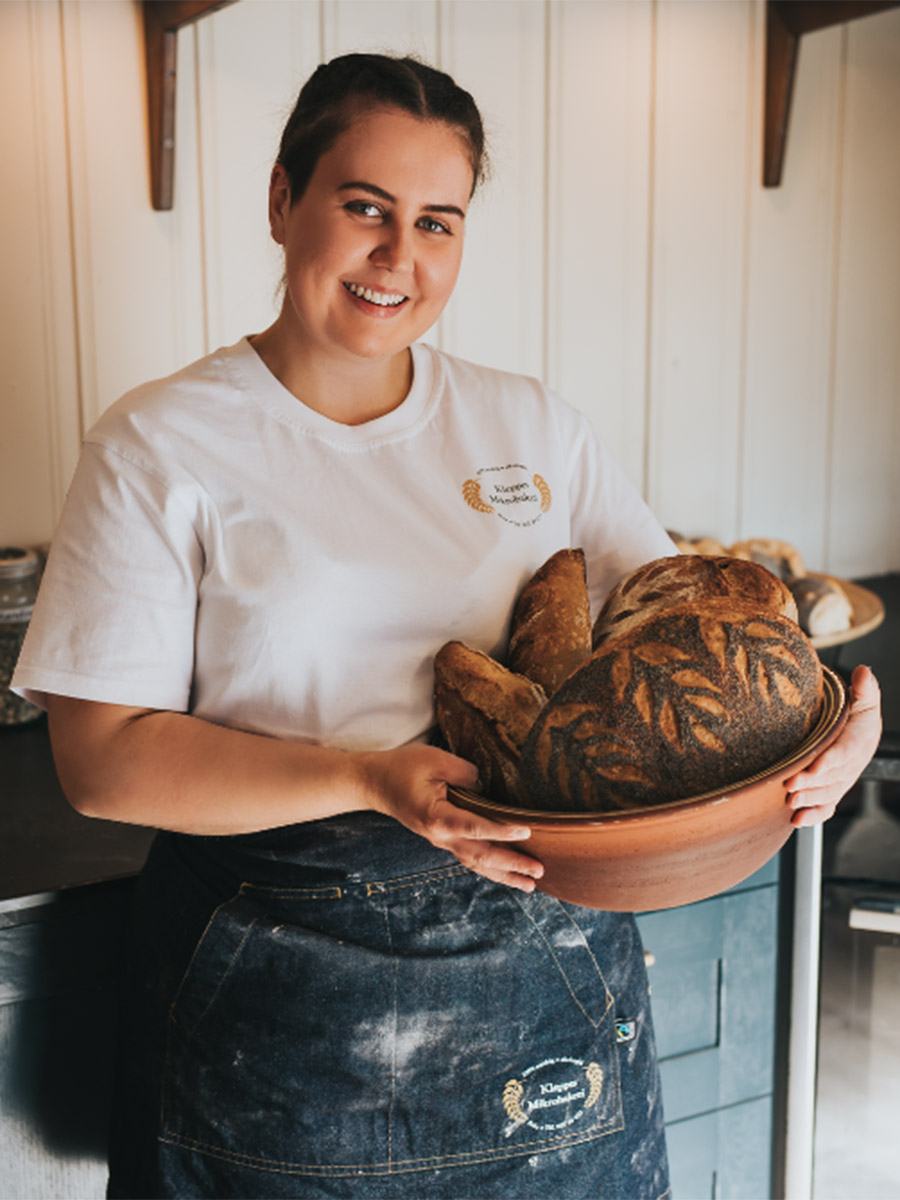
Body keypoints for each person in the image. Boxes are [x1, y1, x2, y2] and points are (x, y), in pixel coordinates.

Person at [12, 53, 881, 1200]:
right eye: (363, 207)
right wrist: (372, 779)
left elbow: (695, 646)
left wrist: (831, 724)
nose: (398, 257)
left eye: (437, 222)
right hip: (283, 1013)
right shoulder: (162, 443)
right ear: (283, 201)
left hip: (548, 993)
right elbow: (104, 759)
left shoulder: (525, 422)